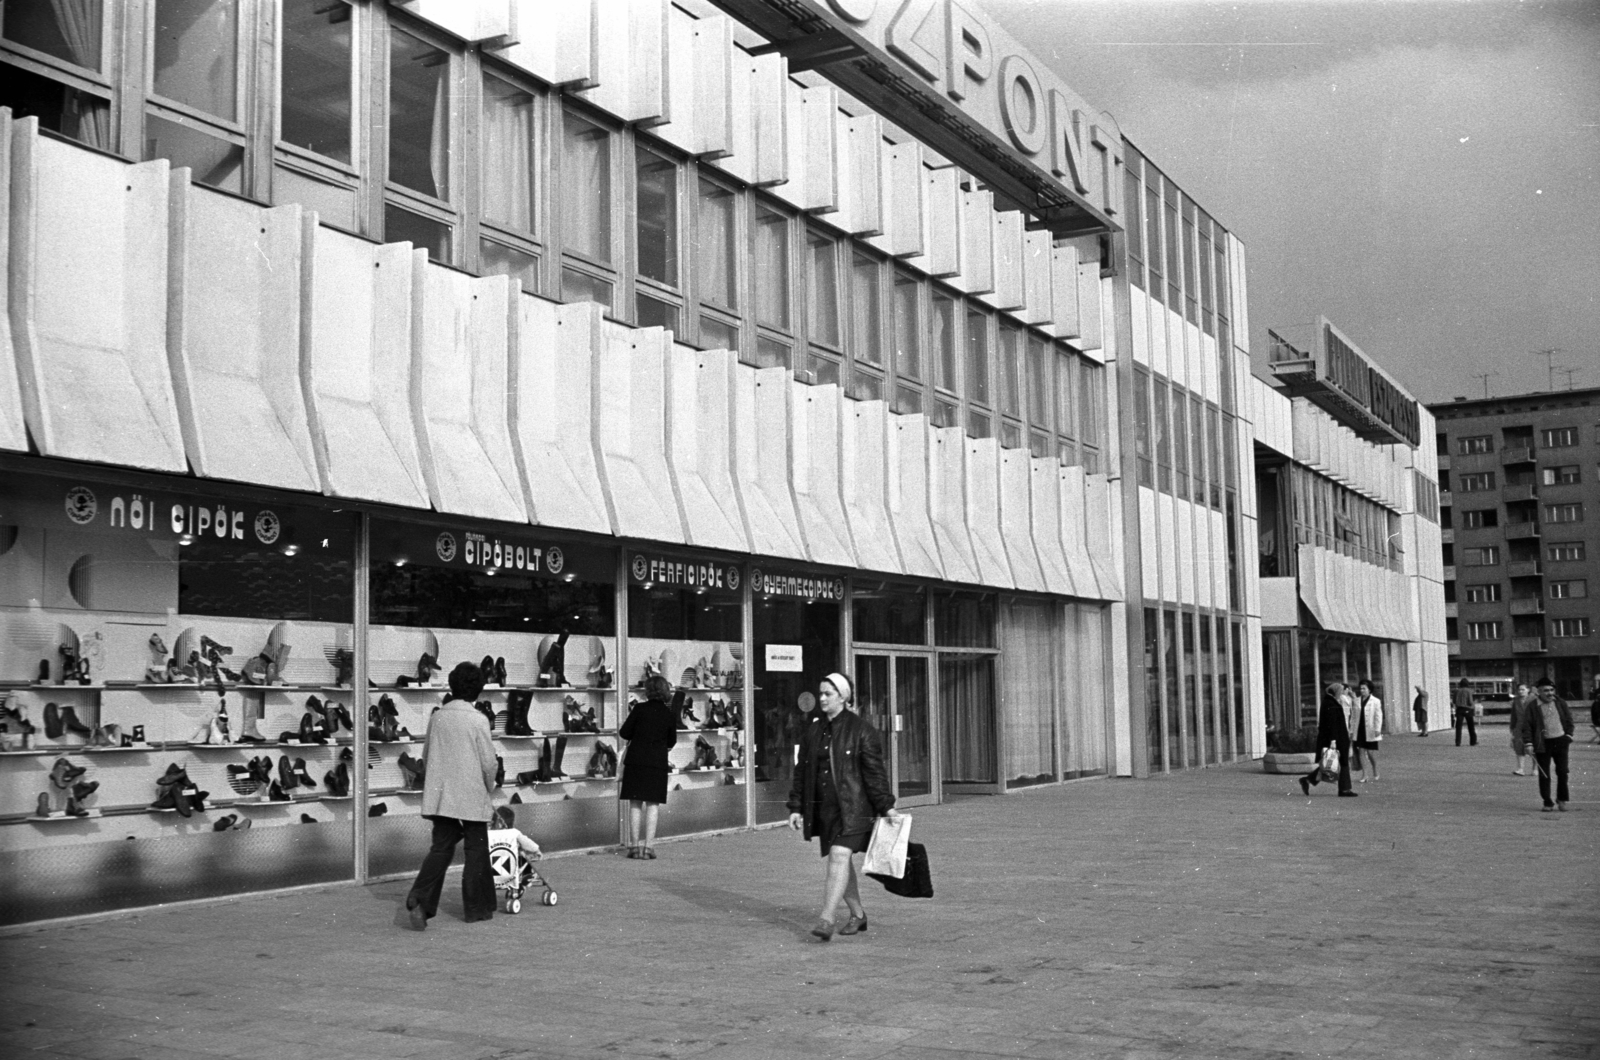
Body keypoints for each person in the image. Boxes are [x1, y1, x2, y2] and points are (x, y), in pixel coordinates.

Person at [787, 672, 900, 940]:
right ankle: (858, 915)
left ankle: (826, 919)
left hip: (854, 808)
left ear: (843, 697)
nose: (822, 698)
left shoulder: (862, 730)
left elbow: (875, 774)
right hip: (826, 810)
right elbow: (801, 772)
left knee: (839, 855)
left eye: (828, 693)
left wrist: (887, 807)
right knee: (842, 861)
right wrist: (795, 807)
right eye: (821, 693)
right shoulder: (813, 731)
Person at [404, 661, 500, 930]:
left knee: (441, 848)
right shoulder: (478, 720)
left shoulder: (437, 717)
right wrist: (489, 787)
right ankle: (477, 908)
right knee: (476, 850)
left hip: (441, 795)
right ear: (478, 690)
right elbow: (488, 763)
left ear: (452, 685)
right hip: (471, 794)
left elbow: (426, 756)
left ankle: (420, 897)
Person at [618, 674, 680, 859]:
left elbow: (624, 732)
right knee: (653, 805)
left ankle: (634, 847)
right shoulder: (669, 714)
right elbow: (672, 740)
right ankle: (648, 848)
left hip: (636, 761)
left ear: (648, 691)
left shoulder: (639, 708)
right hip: (657, 762)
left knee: (635, 803)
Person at [1519, 677, 1574, 812]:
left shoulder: (1560, 702)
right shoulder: (1533, 706)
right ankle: (1547, 802)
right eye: (1546, 691)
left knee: (1562, 772)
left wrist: (1568, 735)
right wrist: (1528, 743)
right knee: (1544, 774)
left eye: (1551, 690)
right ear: (1538, 692)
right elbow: (1527, 726)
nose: (1550, 693)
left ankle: (1562, 800)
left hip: (1561, 741)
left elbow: (1569, 720)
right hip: (1542, 744)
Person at [1300, 681, 1356, 797]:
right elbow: (1332, 724)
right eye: (1340, 692)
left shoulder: (1329, 701)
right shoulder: (1331, 703)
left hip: (1337, 738)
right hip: (1337, 739)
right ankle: (1345, 790)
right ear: (1335, 691)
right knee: (1342, 763)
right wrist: (1333, 740)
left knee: (1332, 763)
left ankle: (1308, 779)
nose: (1341, 694)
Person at [1353, 679, 1382, 782]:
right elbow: (1354, 717)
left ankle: (1375, 767)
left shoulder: (1376, 701)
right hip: (1360, 730)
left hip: (1370, 730)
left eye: (1364, 688)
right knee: (1361, 751)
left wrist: (1378, 729)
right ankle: (1365, 775)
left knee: (1370, 753)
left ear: (1369, 689)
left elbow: (1378, 716)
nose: (1361, 690)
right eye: (1360, 688)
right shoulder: (1356, 700)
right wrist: (1352, 730)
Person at [1508, 683, 1535, 775]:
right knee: (1519, 746)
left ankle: (1535, 769)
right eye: (1519, 690)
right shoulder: (1516, 701)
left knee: (1533, 747)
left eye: (1523, 689)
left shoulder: (1534, 699)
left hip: (1532, 726)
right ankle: (1520, 769)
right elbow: (1513, 715)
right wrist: (1512, 728)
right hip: (1519, 726)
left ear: (1528, 690)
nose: (1520, 691)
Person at [1451, 677, 1477, 746]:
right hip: (1468, 709)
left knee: (1458, 727)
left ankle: (1458, 742)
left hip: (1459, 709)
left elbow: (1453, 701)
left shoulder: (1456, 691)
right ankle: (1473, 742)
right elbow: (1470, 702)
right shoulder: (1469, 691)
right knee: (1471, 726)